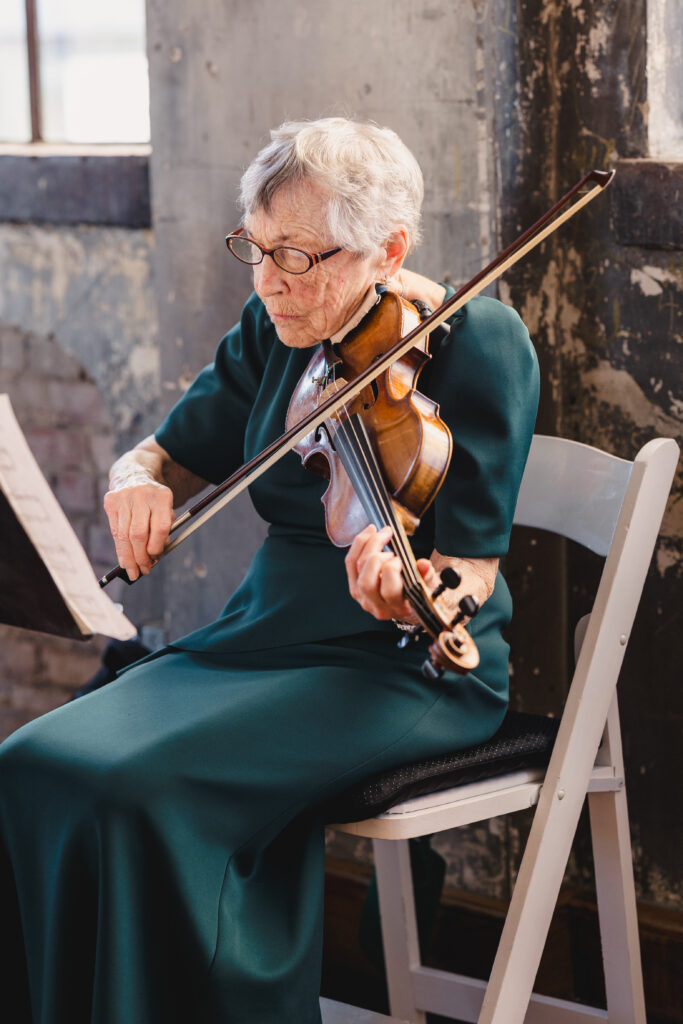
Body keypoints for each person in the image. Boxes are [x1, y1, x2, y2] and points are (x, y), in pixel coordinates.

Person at [0, 118, 539, 1023]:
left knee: (136, 790)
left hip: (404, 663)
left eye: (296, 256)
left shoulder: (477, 340)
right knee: (31, 760)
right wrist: (135, 481)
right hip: (259, 637)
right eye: (254, 246)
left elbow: (471, 568)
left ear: (387, 249)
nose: (266, 281)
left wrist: (411, 593)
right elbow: (165, 452)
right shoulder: (273, 325)